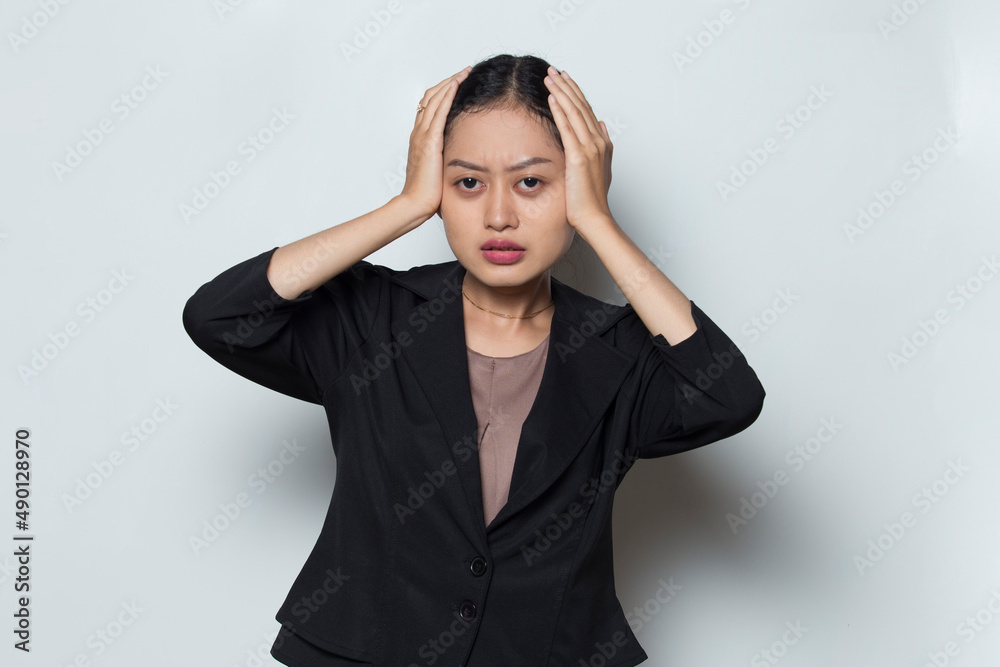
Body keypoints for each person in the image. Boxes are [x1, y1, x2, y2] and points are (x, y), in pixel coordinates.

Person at [182, 53, 765, 667]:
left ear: (578, 182)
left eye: (532, 181)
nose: (498, 216)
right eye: (467, 182)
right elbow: (219, 318)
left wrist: (599, 221)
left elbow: (729, 397)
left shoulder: (615, 351)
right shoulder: (371, 319)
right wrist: (406, 206)